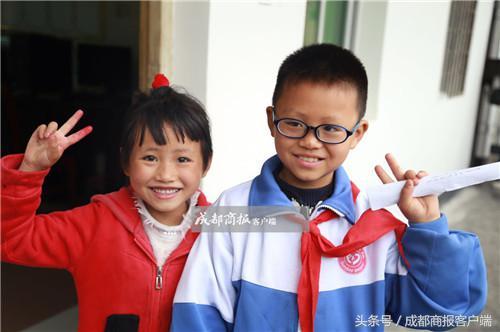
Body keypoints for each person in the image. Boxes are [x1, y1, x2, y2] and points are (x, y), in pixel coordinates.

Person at [170, 44, 487, 331]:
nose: (310, 142)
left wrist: (427, 227)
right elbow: (198, 310)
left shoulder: (371, 223)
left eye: (331, 129)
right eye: (294, 123)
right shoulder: (231, 210)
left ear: (358, 133)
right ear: (272, 120)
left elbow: (444, 312)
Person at [1, 74, 212, 332]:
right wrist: (29, 170)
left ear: (206, 164)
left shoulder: (220, 227)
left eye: (182, 160)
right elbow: (11, 239)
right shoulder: (94, 224)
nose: (166, 175)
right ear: (125, 162)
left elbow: (274, 227)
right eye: (150, 158)